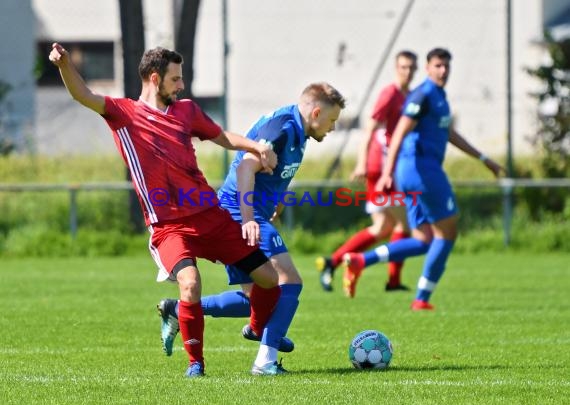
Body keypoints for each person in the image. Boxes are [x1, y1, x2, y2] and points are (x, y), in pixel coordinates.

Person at [49, 43, 286, 378]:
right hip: (169, 226)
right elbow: (82, 94)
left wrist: (257, 146)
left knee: (269, 279)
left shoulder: (187, 111)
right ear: (155, 77)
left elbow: (223, 138)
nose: (181, 85)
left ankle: (257, 329)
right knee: (190, 284)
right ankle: (196, 365)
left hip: (210, 216)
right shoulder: (123, 114)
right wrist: (64, 65)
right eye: (176, 79)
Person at [157, 83, 346, 374]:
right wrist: (248, 219)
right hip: (239, 211)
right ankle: (265, 360)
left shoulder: (300, 131)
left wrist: (278, 202)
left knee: (255, 300)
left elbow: (275, 173)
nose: (333, 128)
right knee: (289, 281)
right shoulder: (282, 129)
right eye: (332, 120)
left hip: (249, 211)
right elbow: (246, 168)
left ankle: (177, 309)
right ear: (316, 112)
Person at [342, 48, 504, 309]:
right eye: (438, 66)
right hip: (422, 171)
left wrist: (484, 159)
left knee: (423, 239)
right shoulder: (423, 94)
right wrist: (386, 173)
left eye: (446, 66)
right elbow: (399, 133)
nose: (443, 71)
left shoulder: (439, 96)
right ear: (427, 68)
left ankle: (362, 261)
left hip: (413, 174)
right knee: (447, 233)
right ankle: (422, 299)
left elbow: (450, 134)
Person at [316, 50, 418, 296]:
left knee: (383, 227)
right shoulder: (390, 94)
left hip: (390, 168)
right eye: (403, 67)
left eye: (412, 67)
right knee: (406, 225)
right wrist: (362, 162)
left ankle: (334, 261)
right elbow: (370, 127)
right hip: (381, 169)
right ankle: (392, 279)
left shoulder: (410, 95)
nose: (408, 71)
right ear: (396, 68)